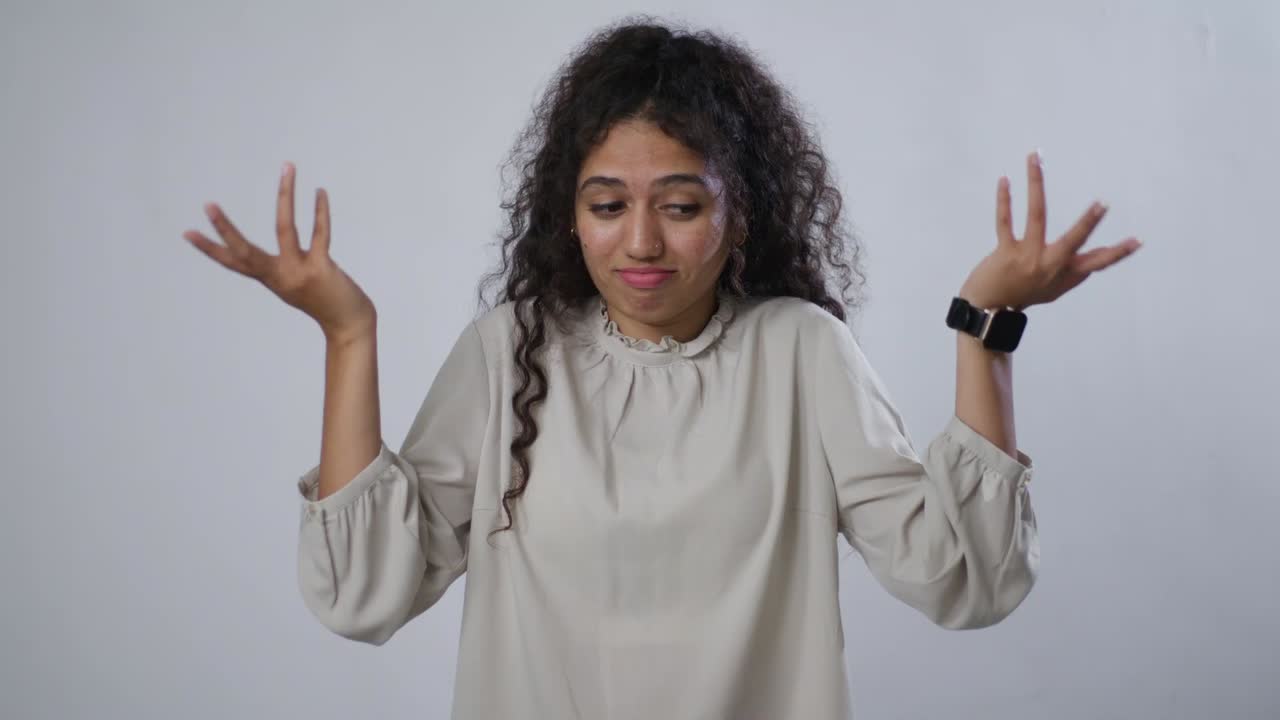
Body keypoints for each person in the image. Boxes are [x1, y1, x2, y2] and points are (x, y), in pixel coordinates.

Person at [184, 16, 1142, 720]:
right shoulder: (510, 348)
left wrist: (986, 327)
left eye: (681, 206)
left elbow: (964, 579)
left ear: (742, 213)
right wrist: (348, 337)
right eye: (608, 204)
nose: (640, 241)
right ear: (570, 212)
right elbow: (366, 592)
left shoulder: (799, 349)